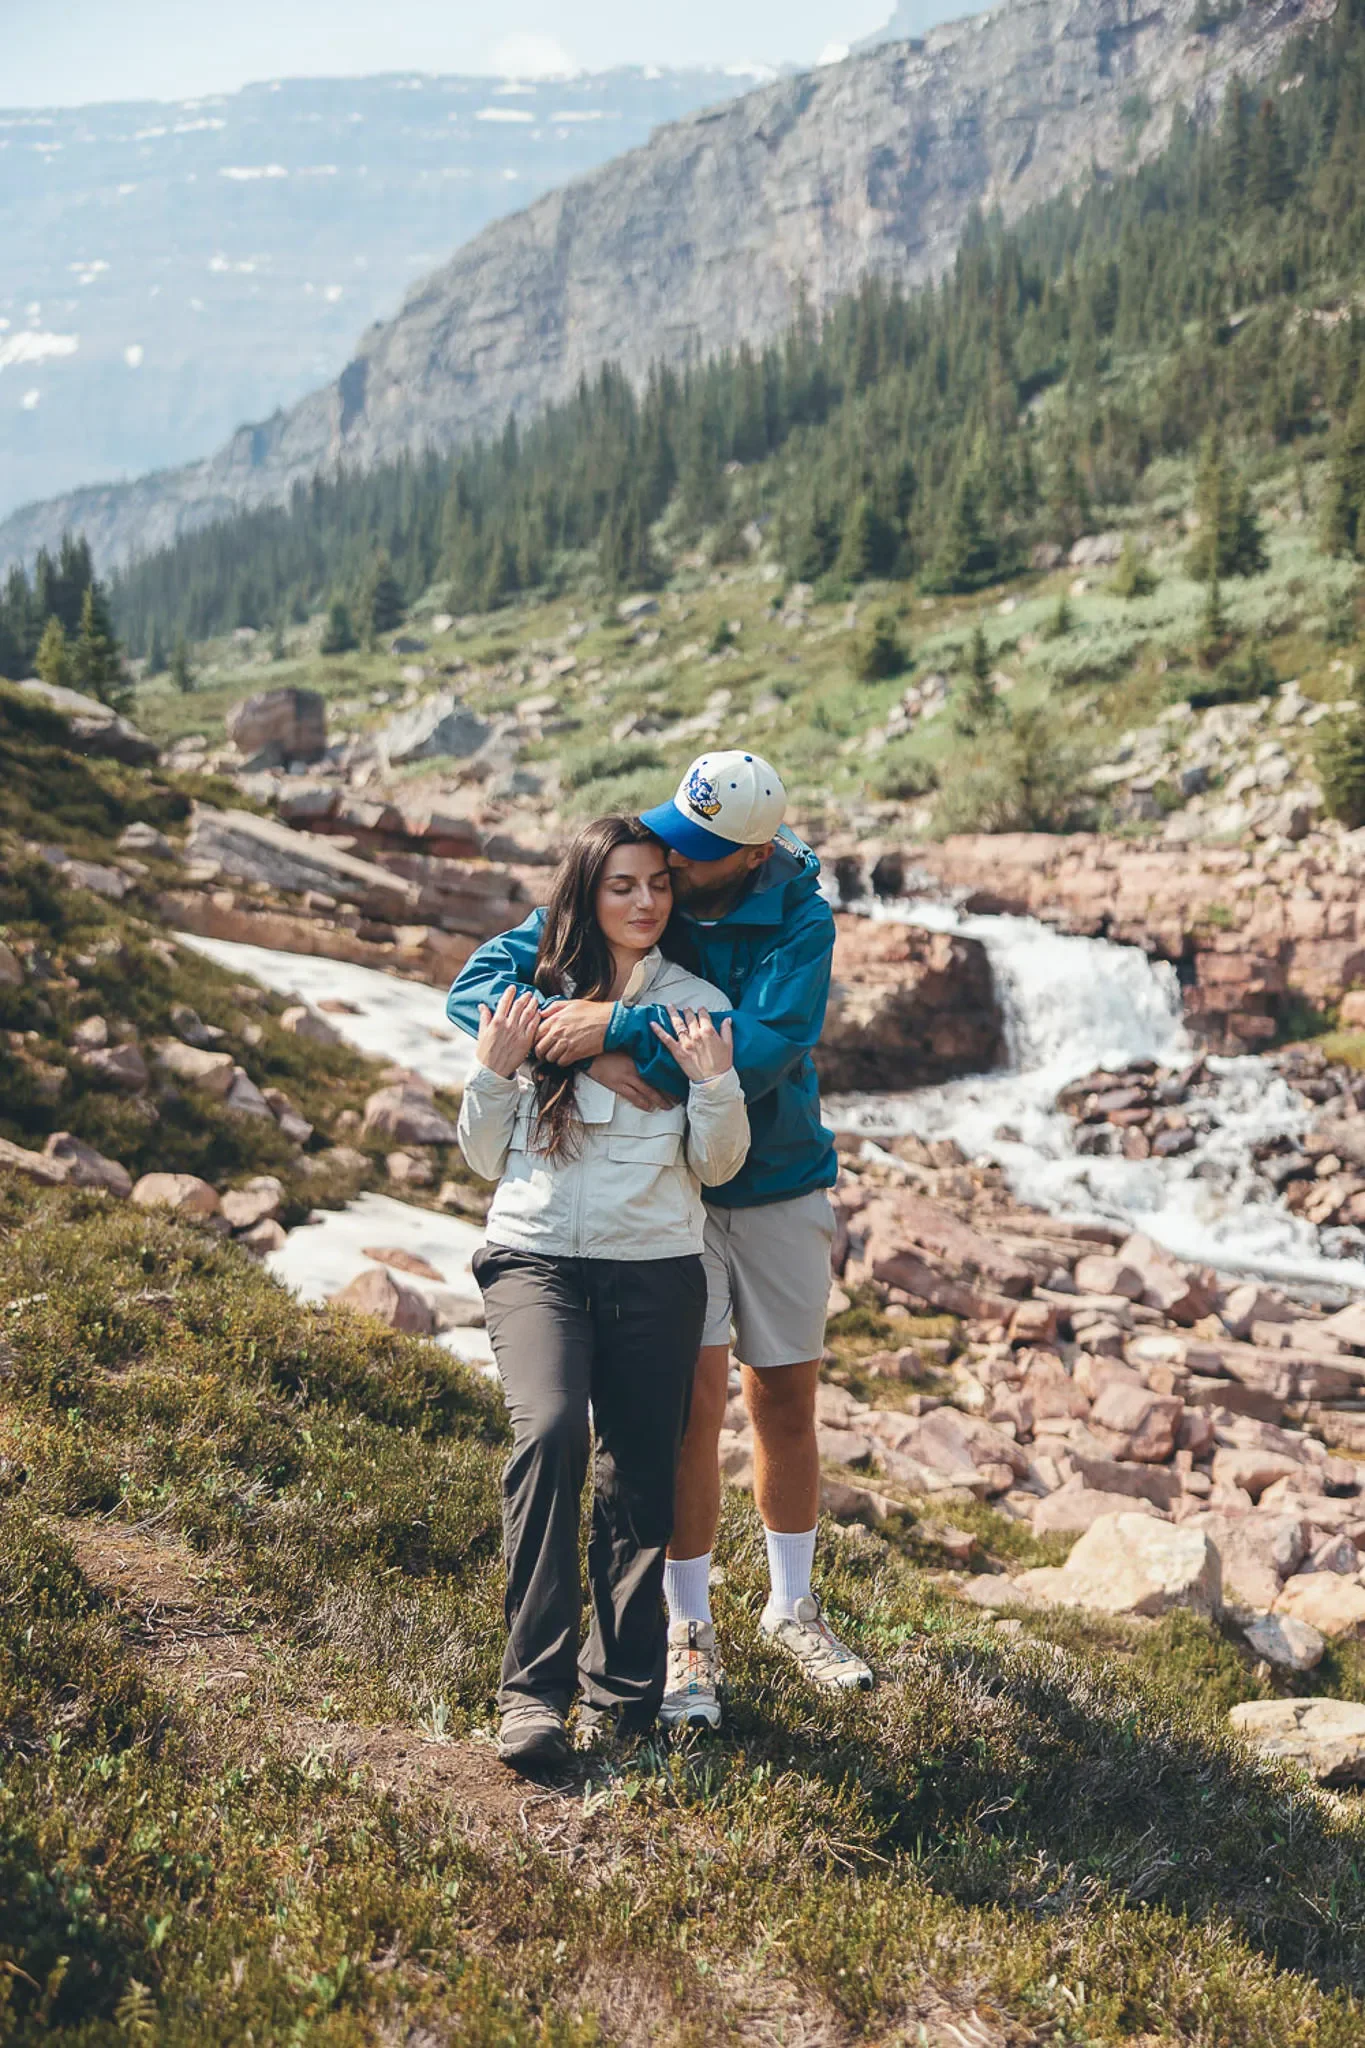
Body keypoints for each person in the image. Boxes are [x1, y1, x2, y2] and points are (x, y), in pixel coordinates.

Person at [449, 751, 872, 1736]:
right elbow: (482, 986)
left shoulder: (799, 918)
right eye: (664, 842)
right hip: (654, 1203)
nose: (666, 868)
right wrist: (588, 1038)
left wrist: (626, 1027)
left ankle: (792, 1604)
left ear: (752, 852)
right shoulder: (651, 891)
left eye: (689, 855)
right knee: (681, 1410)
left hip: (766, 1177)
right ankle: (687, 1631)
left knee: (784, 1393)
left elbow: (765, 1051)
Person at [456, 814, 750, 1772]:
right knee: (547, 1437)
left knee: (639, 1474)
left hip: (654, 1265)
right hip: (533, 1256)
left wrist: (713, 1086)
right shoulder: (527, 993)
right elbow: (481, 1156)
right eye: (621, 886)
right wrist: (499, 1072)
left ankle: (620, 1694)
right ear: (584, 892)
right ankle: (530, 1696)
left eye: (658, 885)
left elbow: (717, 1162)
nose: (644, 903)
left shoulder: (698, 1003)